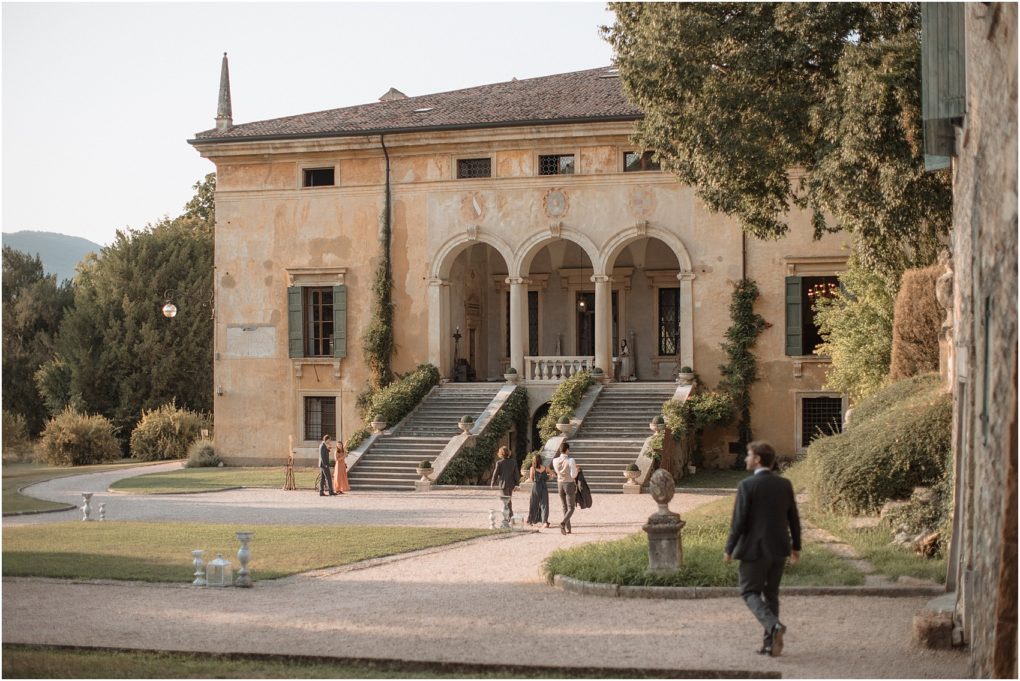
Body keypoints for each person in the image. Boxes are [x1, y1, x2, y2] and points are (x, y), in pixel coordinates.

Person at [724, 441, 801, 657]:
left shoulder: (747, 486)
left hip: (753, 550)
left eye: (749, 455)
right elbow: (793, 517)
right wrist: (796, 546)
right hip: (779, 548)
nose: (747, 458)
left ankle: (773, 626)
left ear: (757, 459)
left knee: (749, 591)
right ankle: (770, 644)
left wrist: (729, 548)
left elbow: (738, 522)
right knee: (772, 595)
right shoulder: (784, 484)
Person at [552, 441, 579, 535]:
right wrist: (577, 470)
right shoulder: (571, 460)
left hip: (560, 483)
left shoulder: (555, 460)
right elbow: (573, 475)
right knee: (571, 507)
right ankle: (563, 523)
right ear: (567, 450)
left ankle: (568, 528)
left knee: (564, 507)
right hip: (569, 483)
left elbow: (556, 472)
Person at [489, 446, 519, 514]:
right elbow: (516, 474)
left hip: (503, 485)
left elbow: (495, 474)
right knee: (508, 500)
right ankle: (509, 515)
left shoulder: (499, 463)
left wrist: (492, 483)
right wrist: (517, 484)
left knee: (506, 501)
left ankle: (510, 515)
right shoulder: (513, 462)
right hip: (511, 484)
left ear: (501, 454)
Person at [526, 453, 551, 528]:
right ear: (541, 460)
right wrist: (547, 478)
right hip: (544, 487)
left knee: (533, 504)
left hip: (536, 487)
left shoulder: (532, 468)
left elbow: (531, 479)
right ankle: (545, 522)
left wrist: (526, 481)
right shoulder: (545, 467)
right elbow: (553, 475)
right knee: (544, 505)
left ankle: (530, 521)